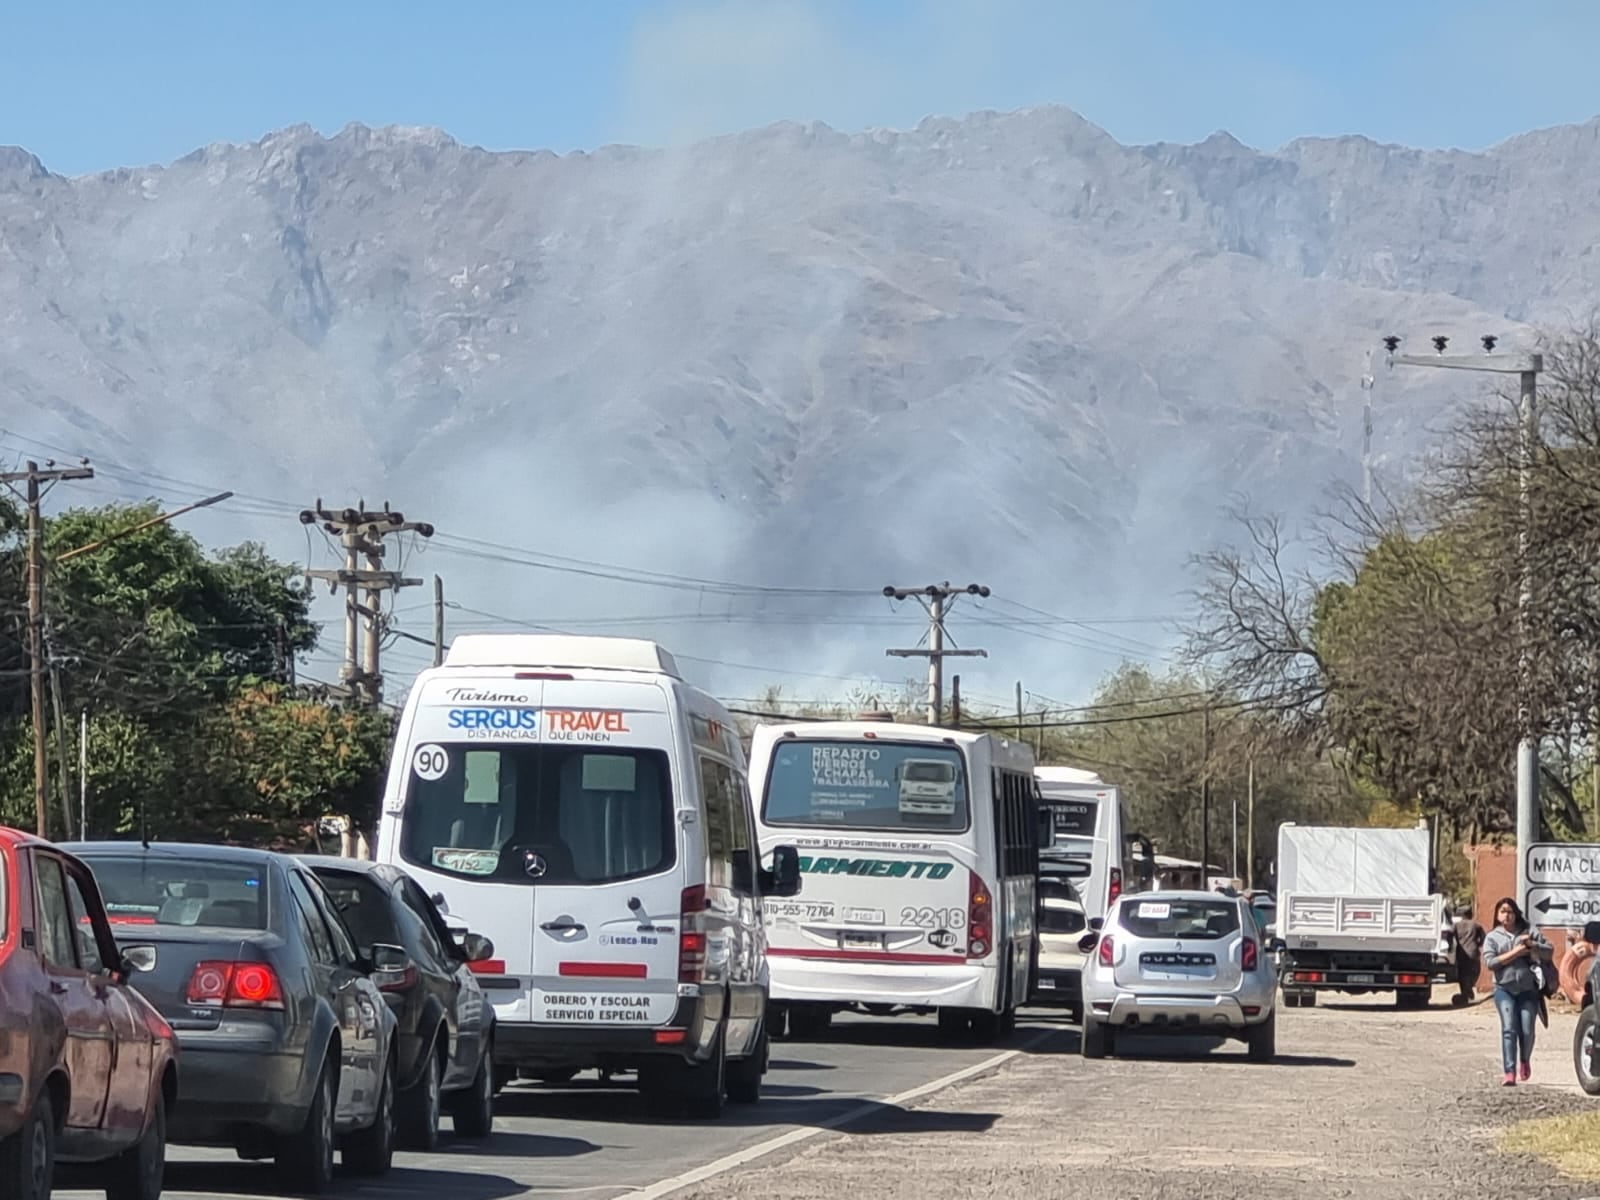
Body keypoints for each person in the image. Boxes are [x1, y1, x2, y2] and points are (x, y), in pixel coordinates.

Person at [1482, 896, 1553, 1086]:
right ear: (1497, 915)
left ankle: (1525, 1060)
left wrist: (1531, 945)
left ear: (1516, 914)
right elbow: (1491, 963)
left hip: (1528, 990)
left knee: (1527, 1029)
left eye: (1510, 911)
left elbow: (1549, 951)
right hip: (1504, 989)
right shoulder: (1492, 937)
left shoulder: (1529, 931)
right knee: (1508, 1029)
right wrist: (1515, 952)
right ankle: (1509, 1072)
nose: (1507, 915)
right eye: (1503, 911)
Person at [1451, 903, 1485, 1006]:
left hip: (1461, 952)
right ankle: (1469, 989)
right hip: (1473, 952)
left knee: (1462, 974)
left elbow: (1451, 938)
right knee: (1474, 971)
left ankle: (1465, 992)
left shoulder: (1456, 926)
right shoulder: (1476, 925)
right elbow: (1484, 938)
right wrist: (1478, 944)